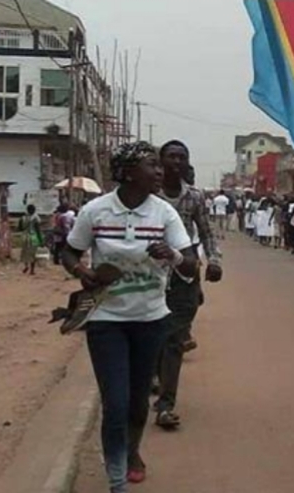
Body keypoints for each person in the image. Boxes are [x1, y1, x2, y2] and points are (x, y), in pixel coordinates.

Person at [60, 141, 197, 492]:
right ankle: (117, 479)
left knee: (138, 404)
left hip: (151, 320)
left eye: (159, 165)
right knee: (115, 403)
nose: (160, 171)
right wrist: (82, 272)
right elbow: (70, 251)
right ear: (128, 172)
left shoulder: (164, 213)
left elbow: (191, 262)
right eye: (152, 165)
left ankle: (132, 451)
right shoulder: (96, 211)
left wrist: (173, 255)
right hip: (106, 321)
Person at [153, 140, 223, 431]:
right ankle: (157, 376)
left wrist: (215, 261)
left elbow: (206, 233)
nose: (176, 162)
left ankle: (166, 404)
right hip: (151, 276)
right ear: (161, 161)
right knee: (158, 334)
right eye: (171, 157)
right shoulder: (149, 196)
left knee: (173, 336)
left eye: (182, 157)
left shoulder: (194, 197)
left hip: (185, 273)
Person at [20, 204, 43, 275]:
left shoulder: (23, 218)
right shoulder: (36, 218)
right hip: (33, 237)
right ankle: (32, 270)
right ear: (34, 210)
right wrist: (41, 240)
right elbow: (38, 230)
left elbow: (20, 228)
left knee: (25, 252)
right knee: (33, 253)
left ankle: (26, 266)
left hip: (25, 236)